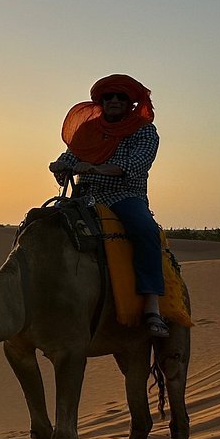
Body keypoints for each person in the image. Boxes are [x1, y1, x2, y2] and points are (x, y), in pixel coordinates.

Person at [49, 73, 167, 337]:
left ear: (130, 103)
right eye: (108, 97)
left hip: (124, 196)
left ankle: (152, 305)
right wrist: (59, 166)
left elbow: (136, 165)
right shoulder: (89, 130)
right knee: (40, 225)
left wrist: (96, 168)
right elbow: (70, 155)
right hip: (83, 197)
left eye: (120, 97)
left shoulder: (144, 131)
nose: (113, 101)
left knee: (145, 231)